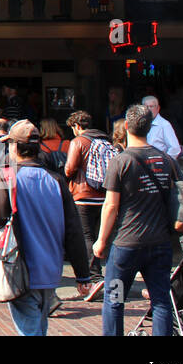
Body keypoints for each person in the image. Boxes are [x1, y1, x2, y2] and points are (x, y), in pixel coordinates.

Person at [0, 121, 91, 336]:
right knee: (39, 326)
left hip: (21, 268)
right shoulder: (57, 180)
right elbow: (73, 230)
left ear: (14, 147)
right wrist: (82, 274)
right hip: (51, 269)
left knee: (30, 330)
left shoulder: (7, 176)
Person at [93, 103, 178, 336]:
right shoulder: (166, 160)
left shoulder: (121, 161)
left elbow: (111, 205)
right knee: (161, 299)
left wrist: (101, 240)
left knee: (115, 299)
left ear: (127, 126)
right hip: (160, 242)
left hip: (127, 245)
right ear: (150, 127)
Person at [63, 110, 110, 301]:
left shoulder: (79, 142)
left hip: (83, 195)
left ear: (76, 126)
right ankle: (100, 271)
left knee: (86, 235)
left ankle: (94, 275)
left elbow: (69, 168)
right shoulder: (105, 140)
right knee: (100, 234)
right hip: (104, 194)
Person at [142, 95, 181, 161]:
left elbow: (175, 148)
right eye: (146, 107)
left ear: (158, 108)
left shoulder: (164, 124)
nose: (148, 109)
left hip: (158, 166)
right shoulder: (141, 123)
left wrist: (165, 163)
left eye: (151, 106)